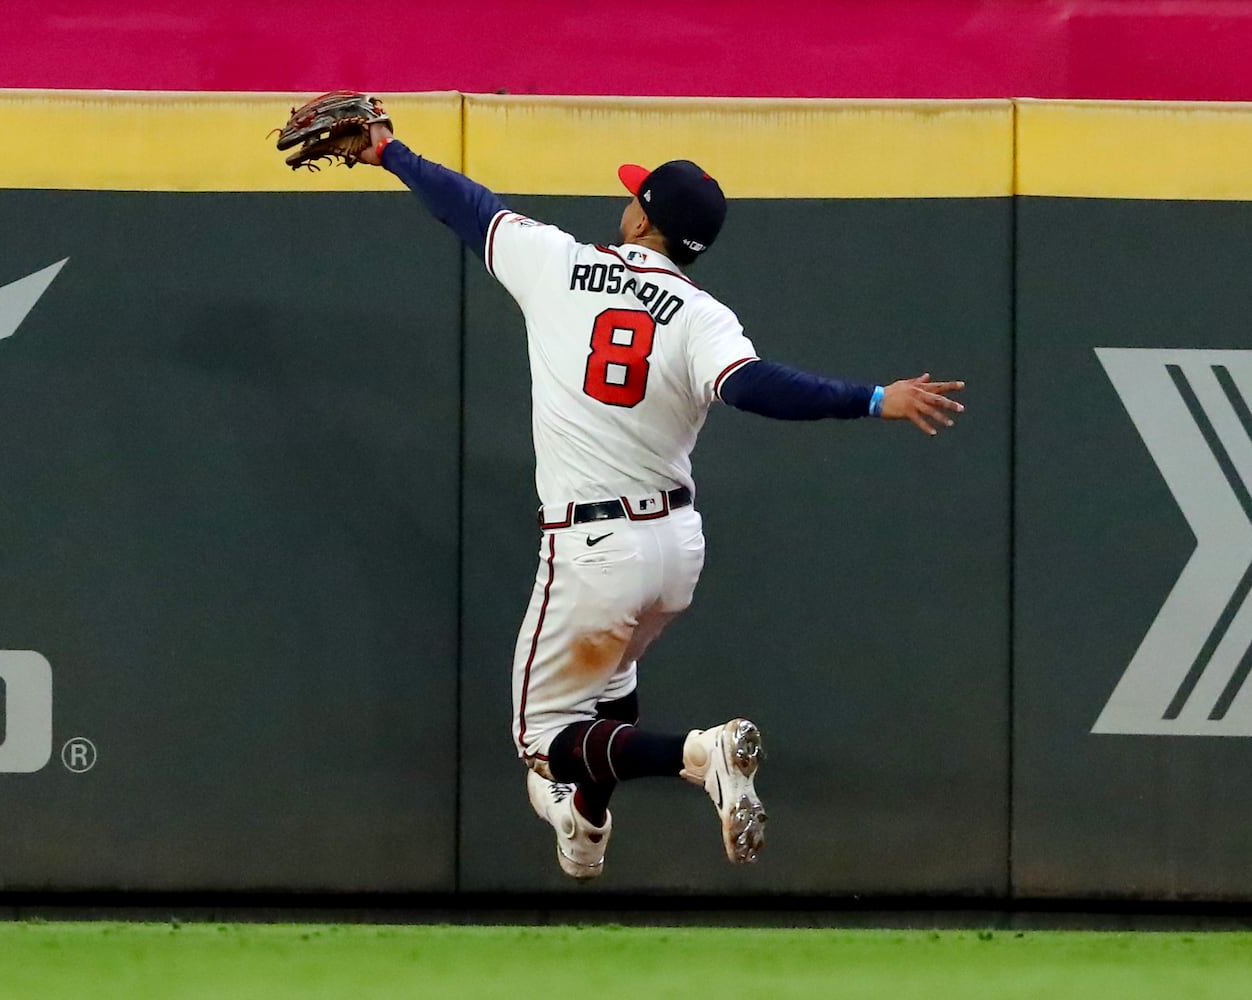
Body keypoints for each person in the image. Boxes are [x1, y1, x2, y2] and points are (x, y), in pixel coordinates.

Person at [355, 122, 964, 880]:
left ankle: (700, 755)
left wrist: (389, 153)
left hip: (593, 549)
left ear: (642, 219)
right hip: (674, 550)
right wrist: (874, 398)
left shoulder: (561, 265)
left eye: (633, 196)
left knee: (542, 738)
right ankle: (586, 821)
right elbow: (756, 387)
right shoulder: (701, 316)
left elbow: (468, 206)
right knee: (610, 697)